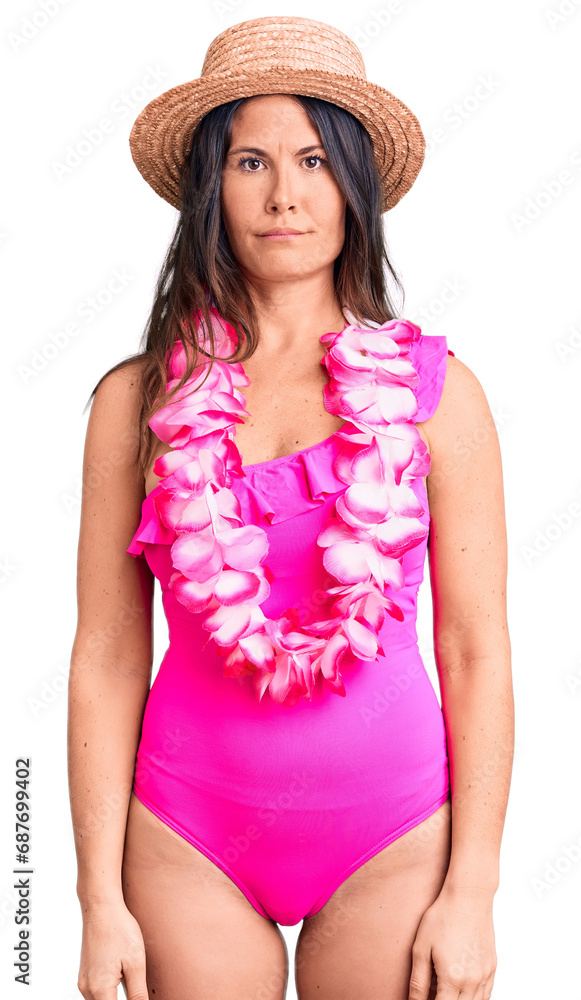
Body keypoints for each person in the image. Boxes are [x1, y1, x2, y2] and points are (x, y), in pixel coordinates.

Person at [68, 15, 514, 1000]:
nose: (283, 194)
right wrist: (96, 897)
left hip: (395, 838)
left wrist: (474, 888)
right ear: (209, 189)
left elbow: (474, 648)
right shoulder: (134, 404)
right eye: (250, 162)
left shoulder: (439, 396)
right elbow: (106, 652)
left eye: (313, 160)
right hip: (186, 836)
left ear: (352, 186)